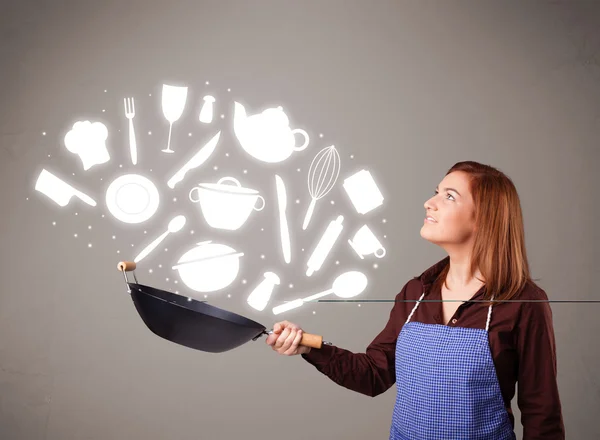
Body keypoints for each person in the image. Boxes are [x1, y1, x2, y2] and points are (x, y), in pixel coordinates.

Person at [266, 161, 565, 440]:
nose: (429, 202)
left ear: (485, 217)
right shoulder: (415, 293)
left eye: (449, 196)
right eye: (436, 192)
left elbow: (542, 412)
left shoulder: (524, 303)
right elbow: (374, 374)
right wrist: (309, 346)